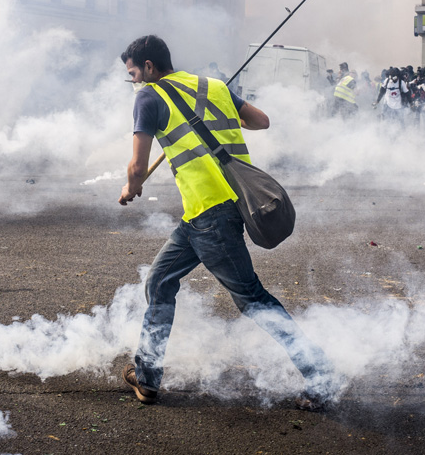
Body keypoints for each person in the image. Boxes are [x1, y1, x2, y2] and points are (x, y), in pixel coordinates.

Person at [117, 35, 334, 410]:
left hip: (210, 214)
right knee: (160, 280)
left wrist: (131, 187)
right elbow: (260, 121)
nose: (134, 81)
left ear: (149, 67)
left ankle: (321, 375)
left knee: (253, 299)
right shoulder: (212, 86)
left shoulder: (148, 97)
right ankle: (148, 377)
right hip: (212, 211)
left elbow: (137, 167)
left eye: (134, 73)